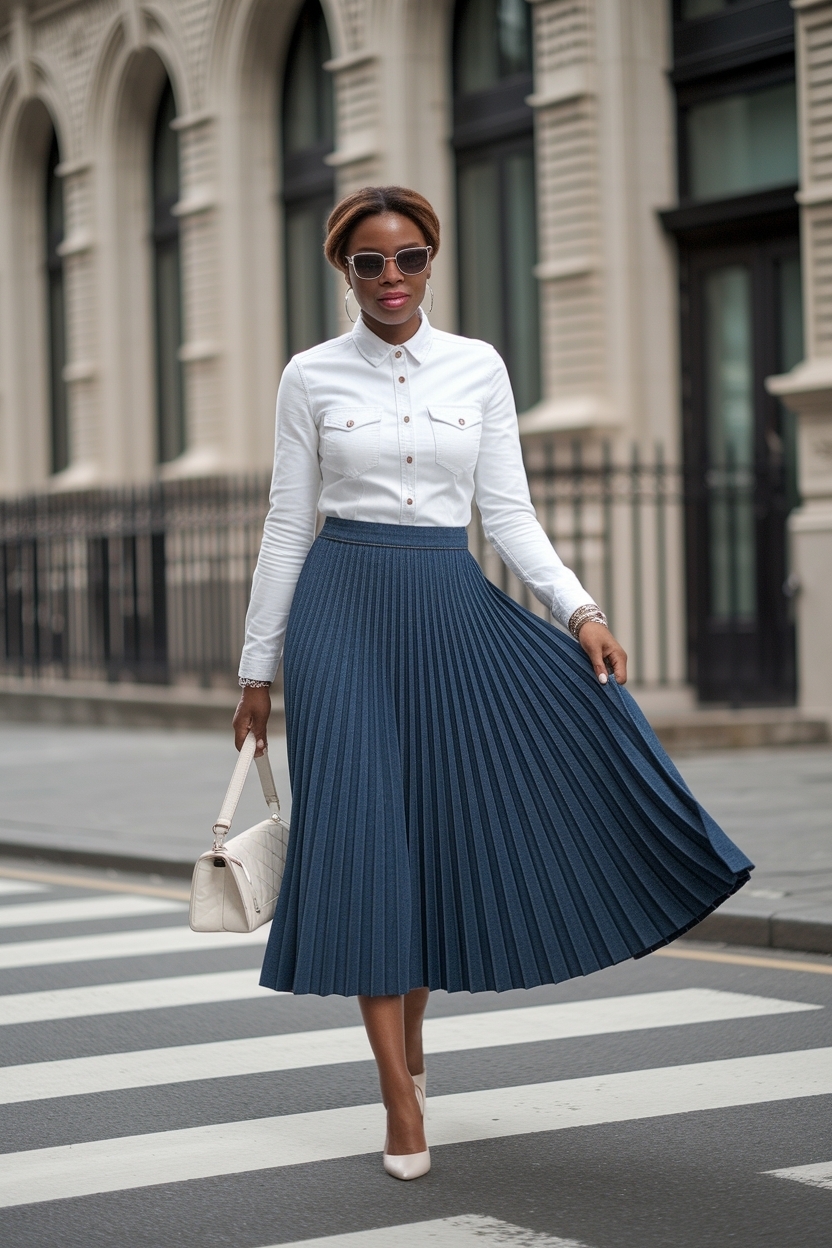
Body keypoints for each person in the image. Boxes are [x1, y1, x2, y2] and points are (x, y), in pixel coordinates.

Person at [233, 185, 752, 1182]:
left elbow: (506, 514)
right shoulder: (310, 375)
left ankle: (412, 1049)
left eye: (410, 258)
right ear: (343, 271)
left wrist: (580, 610)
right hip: (339, 615)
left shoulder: (478, 366)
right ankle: (398, 1101)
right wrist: (258, 669)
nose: (392, 279)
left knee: (425, 838)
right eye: (370, 263)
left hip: (447, 600)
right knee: (362, 842)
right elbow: (287, 523)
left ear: (434, 260)